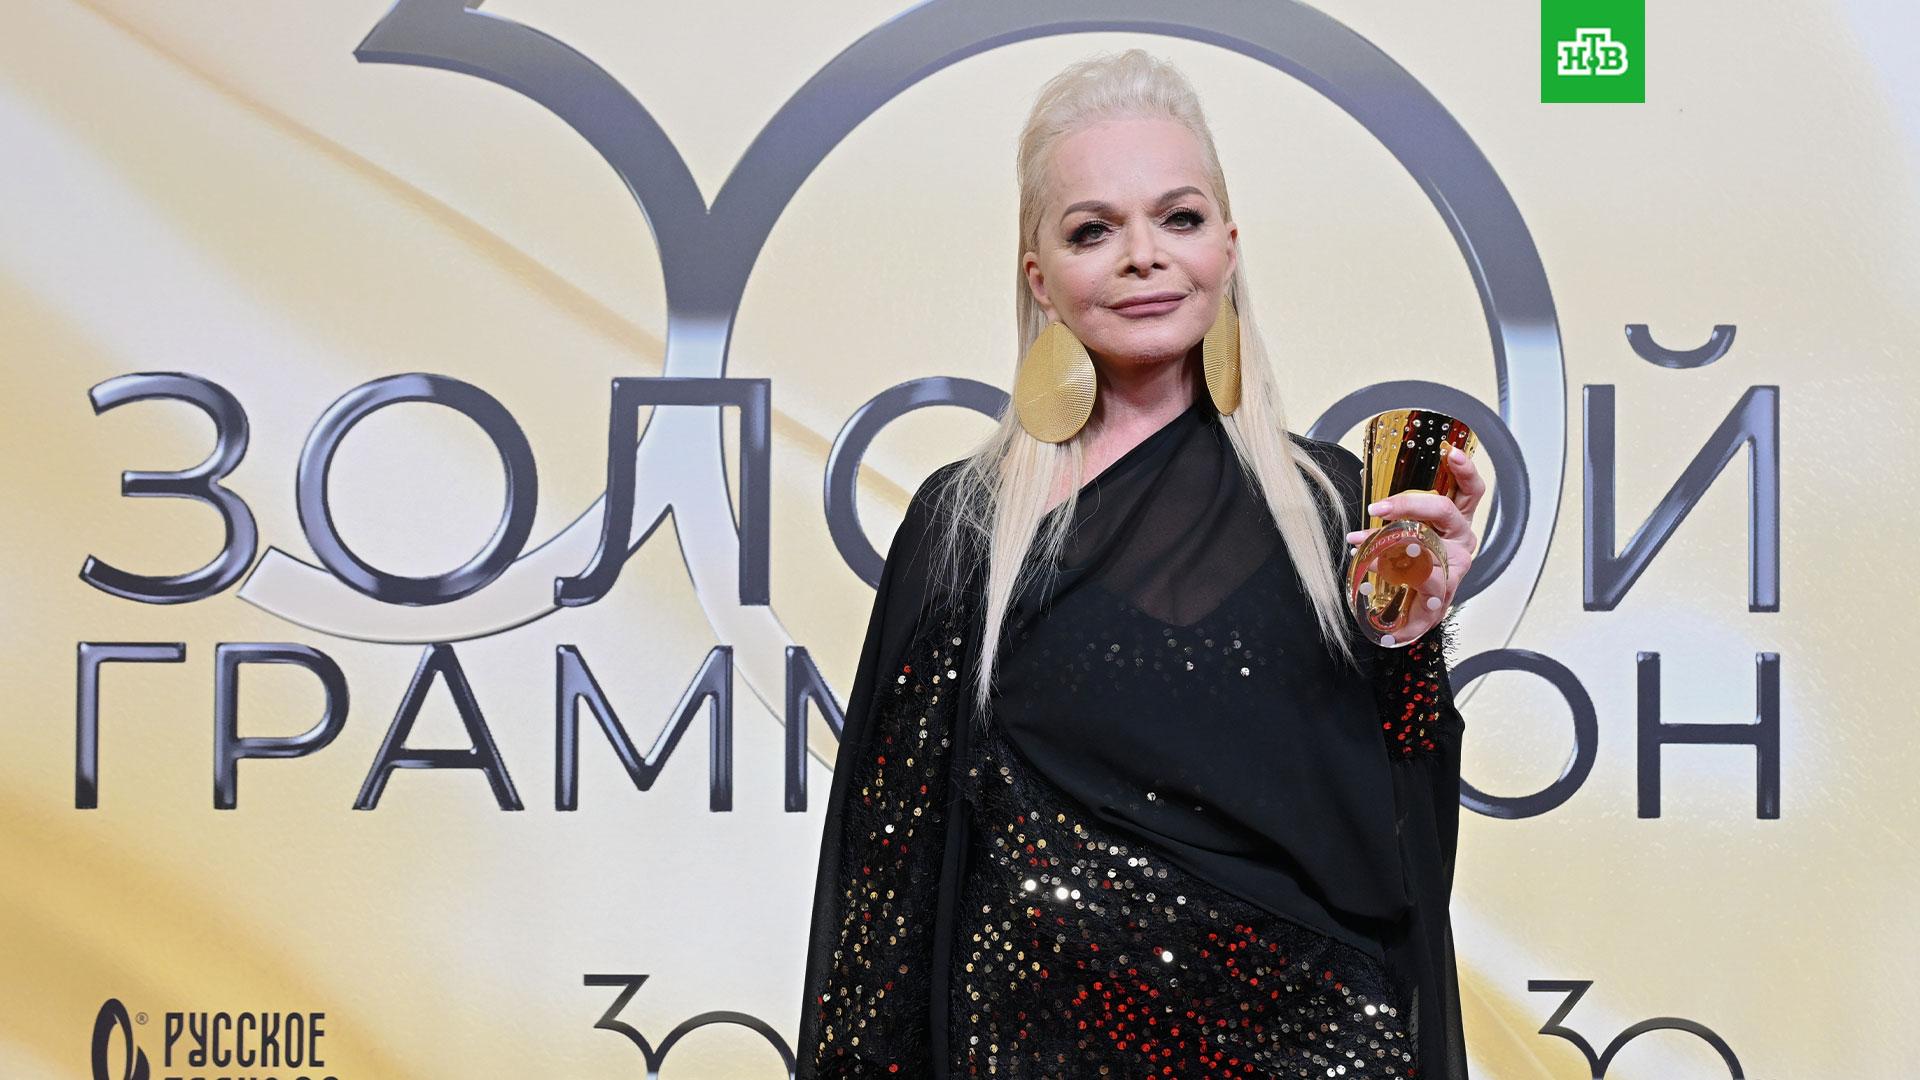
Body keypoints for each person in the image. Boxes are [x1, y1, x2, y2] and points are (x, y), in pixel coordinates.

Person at [795, 48, 1484, 1079]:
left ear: (1228, 247)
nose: (1143, 257)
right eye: (1093, 230)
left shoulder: (1335, 508)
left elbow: (1395, 844)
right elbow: (888, 897)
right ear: (1040, 278)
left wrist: (1409, 641)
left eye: (1180, 217)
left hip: (1314, 1049)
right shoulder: (966, 528)